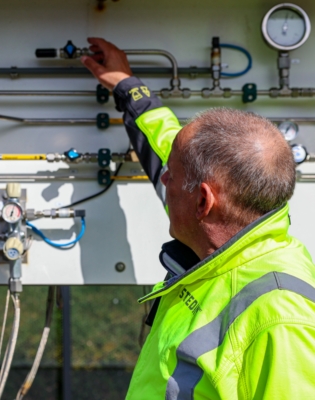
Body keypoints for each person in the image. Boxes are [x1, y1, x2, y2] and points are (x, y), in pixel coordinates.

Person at [81, 38, 315, 399]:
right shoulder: (233, 222)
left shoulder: (281, 318)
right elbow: (167, 147)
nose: (162, 179)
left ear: (204, 201)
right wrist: (129, 86)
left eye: (170, 178)